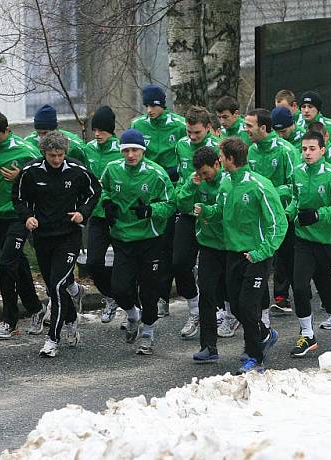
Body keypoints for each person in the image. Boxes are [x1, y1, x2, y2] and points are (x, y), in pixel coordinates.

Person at [194, 137, 286, 374]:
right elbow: (220, 212)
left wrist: (262, 252)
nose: (219, 159)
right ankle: (265, 335)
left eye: (222, 156)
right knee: (235, 307)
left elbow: (278, 224)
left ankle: (255, 359)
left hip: (256, 256)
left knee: (247, 306)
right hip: (233, 255)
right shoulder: (226, 183)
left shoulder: (259, 185)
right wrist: (205, 211)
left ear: (230, 159)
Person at [13, 131, 100, 357]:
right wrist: (27, 217)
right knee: (54, 286)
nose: (57, 159)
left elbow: (94, 192)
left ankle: (52, 339)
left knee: (57, 285)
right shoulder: (30, 172)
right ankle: (71, 318)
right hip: (42, 236)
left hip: (69, 236)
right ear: (44, 153)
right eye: (52, 155)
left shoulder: (77, 170)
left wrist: (83, 213)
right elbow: (19, 198)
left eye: (60, 155)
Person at [0, 112, 51, 339]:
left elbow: (44, 178)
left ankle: (9, 320)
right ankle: (36, 308)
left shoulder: (25, 151)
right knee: (17, 262)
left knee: (7, 263)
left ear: (7, 131)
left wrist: (22, 176)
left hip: (21, 215)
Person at [99, 129, 175, 355]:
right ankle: (133, 315)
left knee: (150, 290)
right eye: (126, 150)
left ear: (143, 151)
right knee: (120, 288)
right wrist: (107, 204)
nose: (130, 155)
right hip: (123, 237)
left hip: (150, 239)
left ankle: (148, 334)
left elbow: (171, 204)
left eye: (135, 150)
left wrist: (151, 210)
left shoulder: (156, 174)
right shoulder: (112, 169)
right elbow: (102, 190)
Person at [285, 131, 331, 357]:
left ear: (322, 150)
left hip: (329, 242)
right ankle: (307, 334)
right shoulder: (297, 173)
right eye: (304, 149)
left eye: (312, 149)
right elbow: (296, 198)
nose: (307, 153)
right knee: (301, 287)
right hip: (304, 241)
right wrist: (288, 213)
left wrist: (318, 215)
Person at [131, 84, 188, 317]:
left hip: (173, 189)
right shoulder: (138, 125)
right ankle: (156, 297)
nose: (150, 110)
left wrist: (178, 173)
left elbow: (188, 151)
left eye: (154, 105)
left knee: (170, 246)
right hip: (150, 189)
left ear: (162, 105)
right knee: (155, 246)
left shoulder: (179, 125)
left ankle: (166, 295)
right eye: (147, 105)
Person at [175, 146, 229, 362]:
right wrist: (190, 186)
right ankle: (209, 347)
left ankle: (259, 336)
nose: (203, 178)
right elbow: (183, 204)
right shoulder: (196, 179)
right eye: (200, 174)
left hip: (231, 244)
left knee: (235, 295)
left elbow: (227, 211)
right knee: (207, 294)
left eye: (206, 173)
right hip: (207, 243)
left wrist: (207, 211)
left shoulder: (227, 181)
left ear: (217, 164)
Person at [244, 108, 296, 318]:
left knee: (287, 258)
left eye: (249, 126)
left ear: (263, 128)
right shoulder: (251, 151)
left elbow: (295, 184)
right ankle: (266, 302)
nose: (245, 129)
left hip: (282, 213)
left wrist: (272, 192)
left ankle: (293, 297)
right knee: (263, 258)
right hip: (259, 215)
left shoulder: (286, 150)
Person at [172, 106, 219, 338]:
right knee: (179, 263)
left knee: (216, 268)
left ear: (208, 128)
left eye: (197, 134)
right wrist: (187, 190)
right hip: (189, 210)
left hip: (213, 215)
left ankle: (224, 312)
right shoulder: (181, 146)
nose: (192, 137)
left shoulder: (219, 147)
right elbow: (181, 179)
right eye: (189, 132)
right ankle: (194, 309)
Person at [83, 106, 124, 324]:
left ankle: (129, 304)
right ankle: (110, 297)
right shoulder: (88, 149)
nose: (97, 134)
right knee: (93, 263)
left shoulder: (122, 150)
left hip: (119, 216)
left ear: (111, 130)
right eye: (94, 130)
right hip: (97, 215)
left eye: (101, 130)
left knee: (124, 265)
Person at [24, 104, 89, 164]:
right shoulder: (28, 143)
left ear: (55, 130)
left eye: (45, 133)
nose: (42, 137)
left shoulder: (74, 145)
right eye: (38, 133)